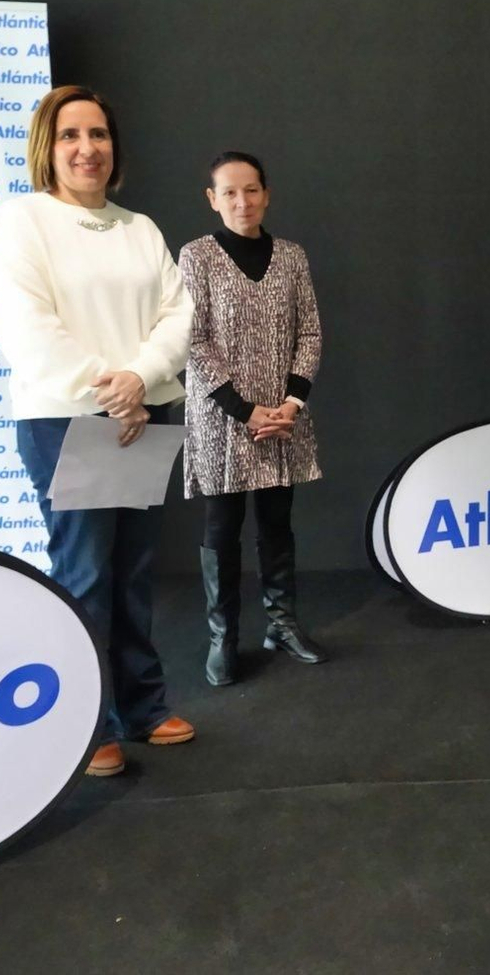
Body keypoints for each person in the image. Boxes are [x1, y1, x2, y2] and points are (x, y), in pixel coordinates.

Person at [0, 85, 196, 779]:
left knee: (133, 568)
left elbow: (179, 316)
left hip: (140, 415)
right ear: (48, 147)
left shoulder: (140, 229)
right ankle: (91, 719)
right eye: (71, 135)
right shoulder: (24, 221)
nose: (88, 148)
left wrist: (139, 381)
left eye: (99, 134)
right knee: (84, 573)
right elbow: (29, 331)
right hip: (66, 419)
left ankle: (141, 707)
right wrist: (113, 391)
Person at [178, 151, 326, 685]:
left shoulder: (291, 256)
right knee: (222, 528)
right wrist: (243, 410)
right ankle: (224, 639)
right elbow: (192, 339)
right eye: (230, 192)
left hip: (283, 418)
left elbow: (309, 332)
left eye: (252, 189)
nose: (243, 201)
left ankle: (282, 624)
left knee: (277, 524)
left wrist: (290, 404)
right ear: (212, 200)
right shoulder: (196, 256)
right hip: (223, 419)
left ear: (266, 194)